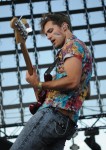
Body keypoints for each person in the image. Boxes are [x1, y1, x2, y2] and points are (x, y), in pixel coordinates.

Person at [10, 13, 92, 150]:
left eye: (50, 31)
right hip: (66, 124)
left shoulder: (72, 45)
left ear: (64, 26)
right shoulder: (72, 53)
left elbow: (72, 82)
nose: (48, 37)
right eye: (46, 34)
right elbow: (45, 99)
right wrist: (35, 85)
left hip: (52, 116)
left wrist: (40, 84)